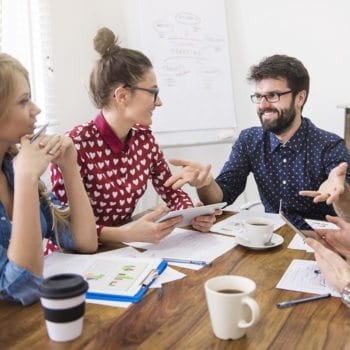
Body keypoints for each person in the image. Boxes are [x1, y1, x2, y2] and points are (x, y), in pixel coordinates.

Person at [51, 27, 217, 245]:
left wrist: (191, 215)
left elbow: (171, 191)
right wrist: (126, 233)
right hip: (75, 258)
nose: (159, 102)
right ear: (122, 96)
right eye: (153, 92)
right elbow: (63, 227)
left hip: (124, 251)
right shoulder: (74, 144)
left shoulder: (144, 138)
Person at [164, 54, 350, 226]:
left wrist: (341, 191)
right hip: (270, 238)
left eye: (273, 96)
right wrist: (206, 184)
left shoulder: (330, 145)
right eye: (259, 96)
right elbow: (223, 195)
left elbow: (348, 212)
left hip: (319, 241)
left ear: (299, 98)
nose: (263, 105)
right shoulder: (249, 140)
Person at [0, 53, 98, 305]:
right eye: (24, 101)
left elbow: (84, 240)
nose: (37, 109)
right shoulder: (21, 172)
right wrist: (26, 179)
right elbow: (22, 285)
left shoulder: (12, 168)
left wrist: (69, 166)